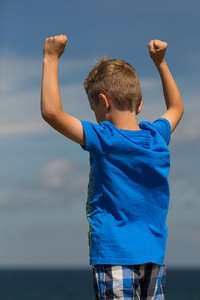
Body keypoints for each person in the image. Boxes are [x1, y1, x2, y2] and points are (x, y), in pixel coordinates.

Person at [41, 35, 184, 300]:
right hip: (154, 257)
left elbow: (52, 112)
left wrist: (51, 57)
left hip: (115, 254)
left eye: (93, 107)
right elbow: (176, 107)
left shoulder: (104, 138)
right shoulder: (156, 137)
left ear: (103, 101)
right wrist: (160, 63)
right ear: (139, 105)